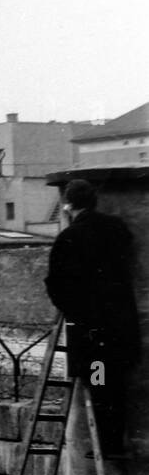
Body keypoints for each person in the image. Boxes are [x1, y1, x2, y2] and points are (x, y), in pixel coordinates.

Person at [44, 179, 141, 456]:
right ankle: (116, 442)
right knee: (118, 382)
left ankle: (108, 446)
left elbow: (56, 284)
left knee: (99, 383)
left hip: (91, 330)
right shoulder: (117, 229)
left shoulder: (69, 236)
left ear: (68, 206)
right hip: (122, 326)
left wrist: (74, 310)